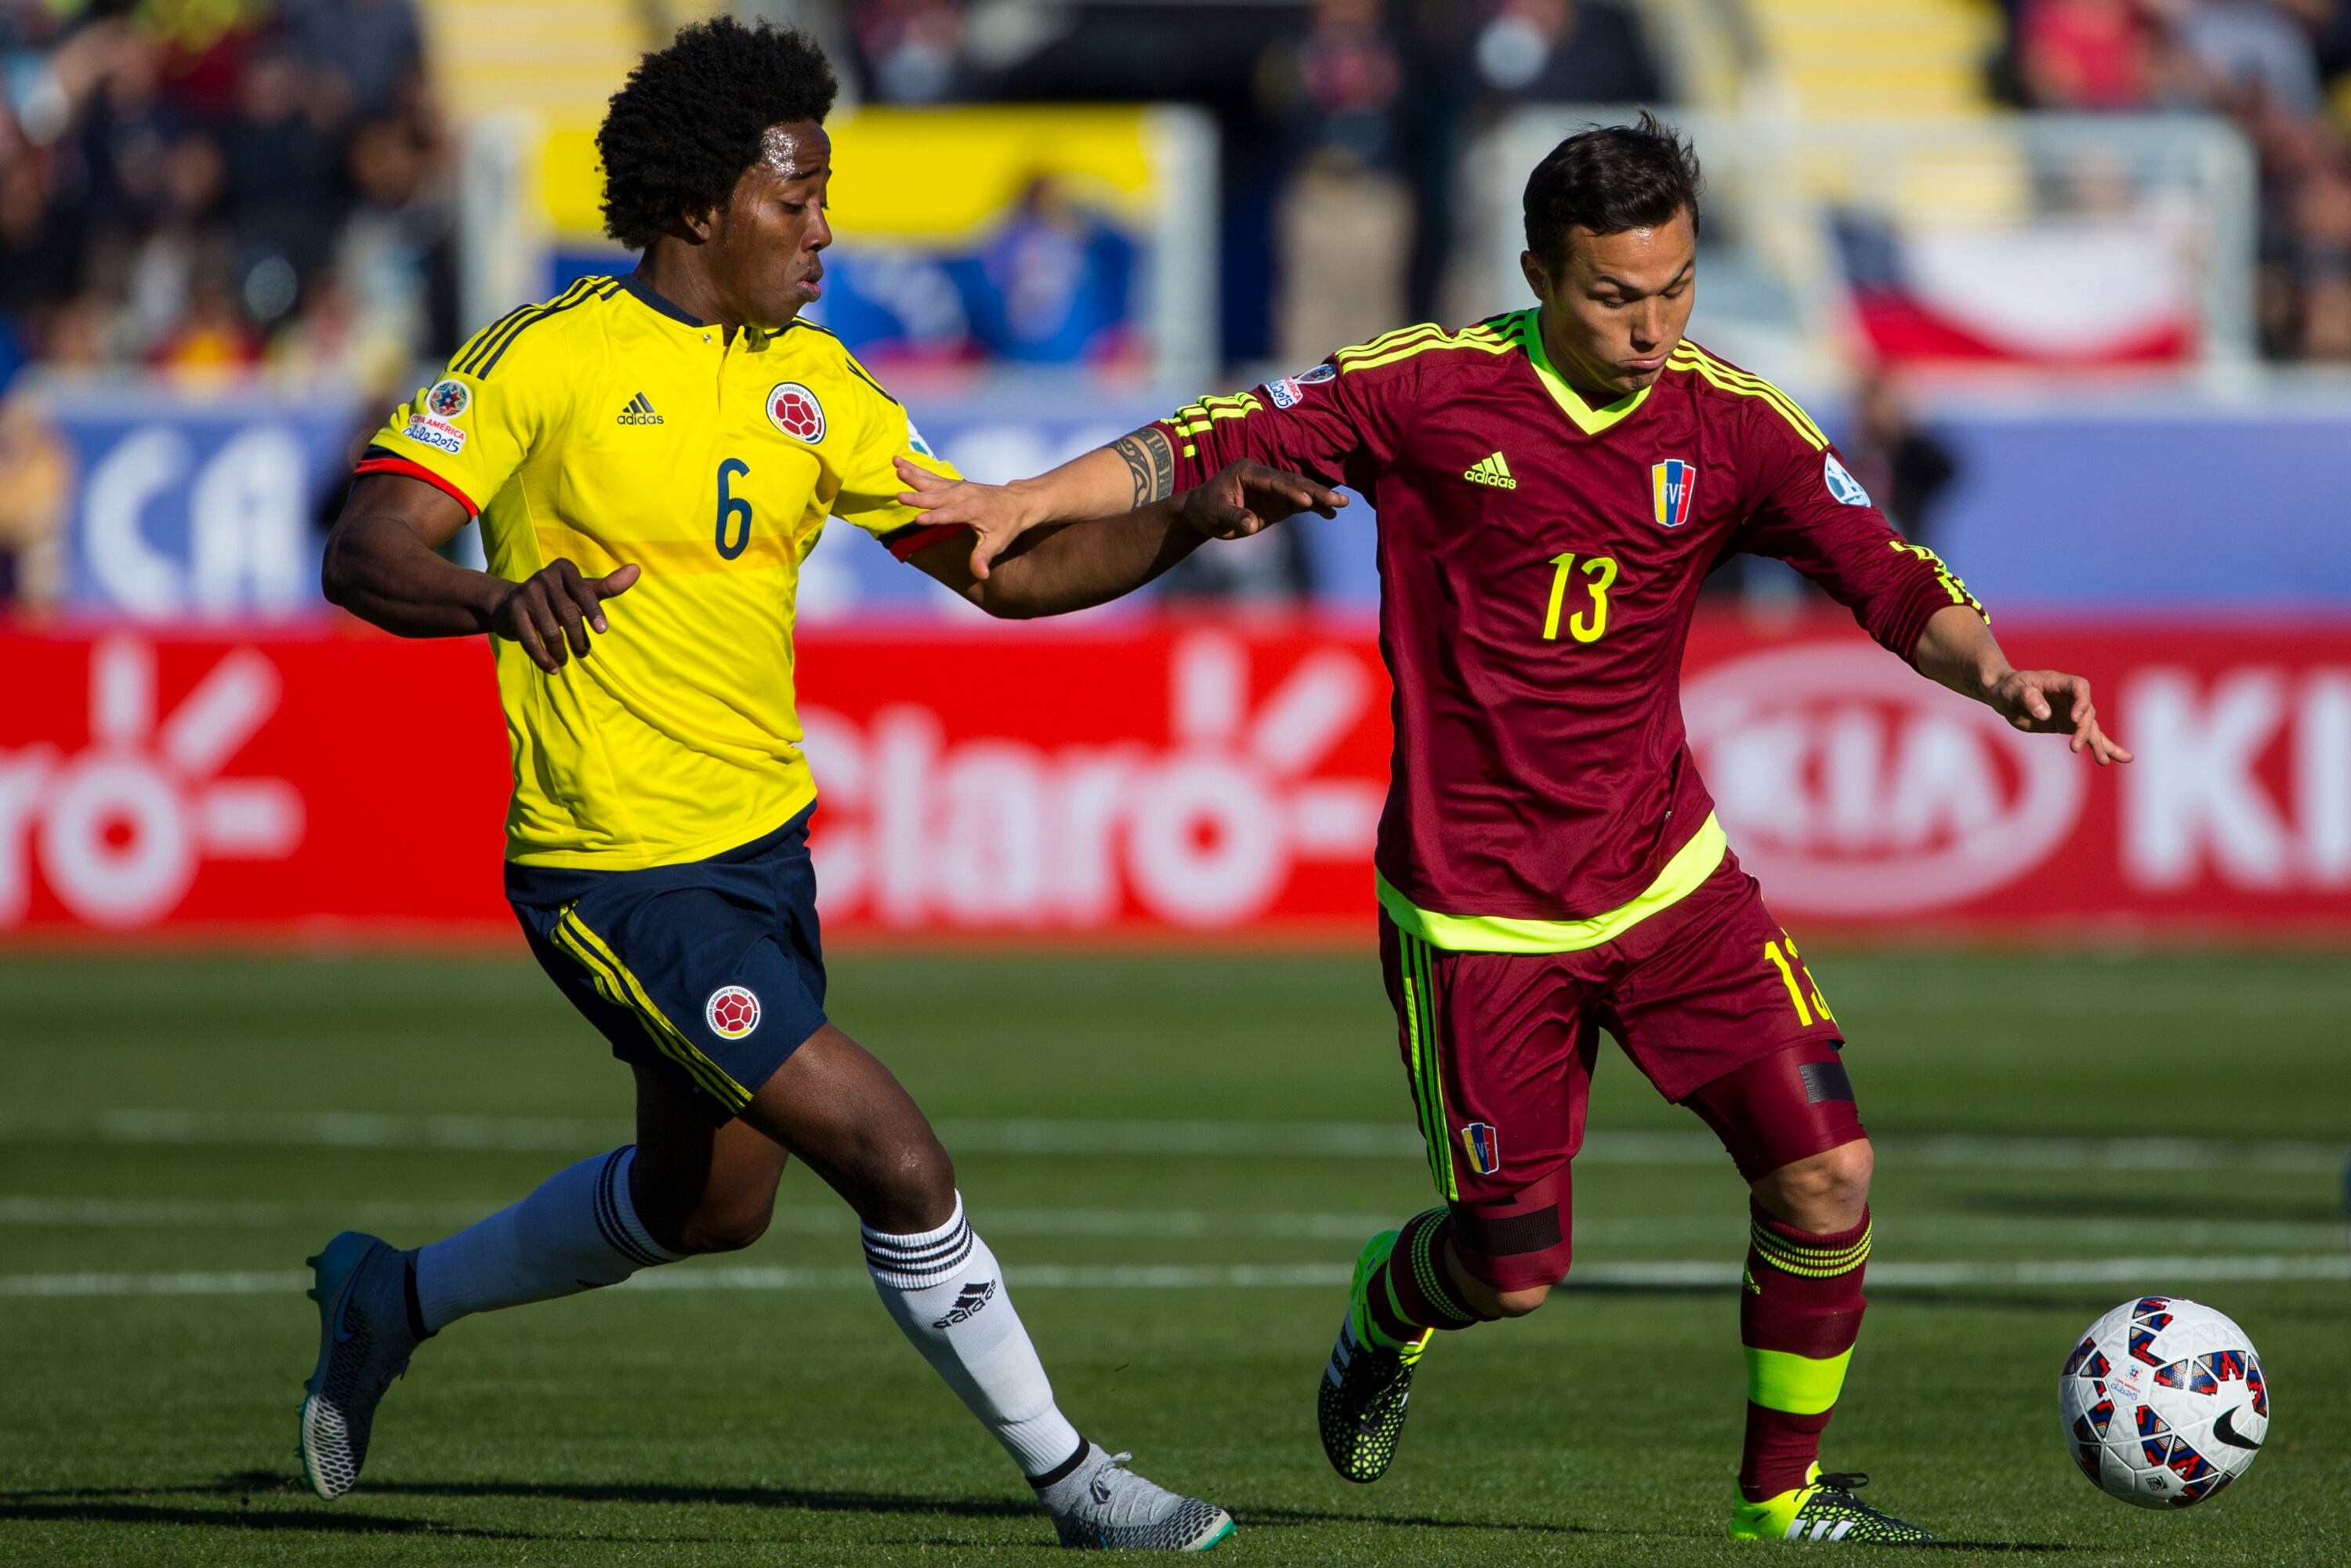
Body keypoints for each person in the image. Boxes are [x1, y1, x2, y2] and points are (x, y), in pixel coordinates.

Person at [894, 113, 2132, 1546]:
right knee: (1516, 1267)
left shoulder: (1735, 421)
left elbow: (1888, 573)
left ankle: (1780, 1501)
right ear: (1540, 274)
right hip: (1477, 915)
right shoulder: (1427, 389)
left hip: (1671, 881)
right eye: (1615, 295)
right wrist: (1022, 497)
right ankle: (1389, 1302)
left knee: (1827, 1170)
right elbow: (1205, 437)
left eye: (1676, 287)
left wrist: (2001, 678)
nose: (1654, 327)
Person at [304, 19, 1339, 1552]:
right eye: (795, 199)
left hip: (761, 854)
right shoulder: (546, 355)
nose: (824, 230)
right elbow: (365, 548)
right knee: (894, 1157)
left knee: (709, 1203)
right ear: (698, 207)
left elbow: (1006, 567)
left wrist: (1187, 517)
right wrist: (492, 597)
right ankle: (1075, 1479)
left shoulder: (818, 384)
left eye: (824, 197)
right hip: (615, 866)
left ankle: (390, 1297)